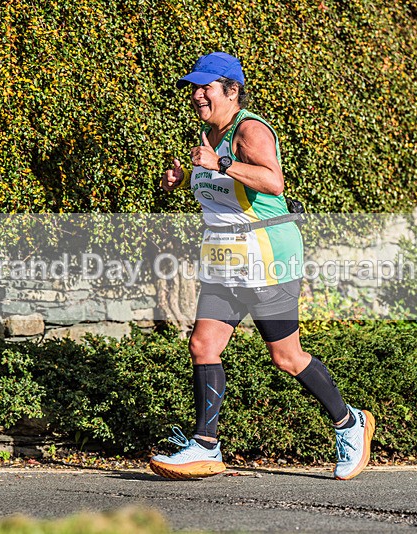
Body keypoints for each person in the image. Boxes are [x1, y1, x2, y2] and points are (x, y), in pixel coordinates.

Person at [151, 52, 374, 480]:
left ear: (231, 91)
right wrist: (181, 183)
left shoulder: (249, 130)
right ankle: (206, 447)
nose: (197, 95)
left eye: (206, 88)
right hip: (224, 260)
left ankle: (350, 423)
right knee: (203, 346)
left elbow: (272, 181)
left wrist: (221, 163)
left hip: (267, 257)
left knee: (287, 356)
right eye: (194, 88)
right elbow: (223, 194)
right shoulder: (207, 132)